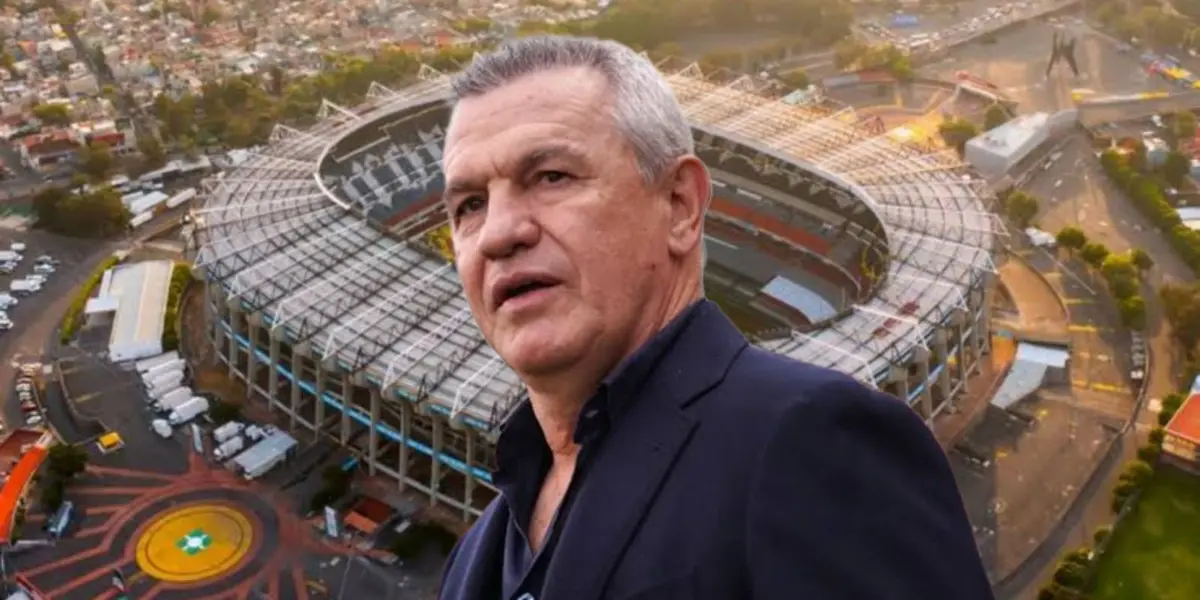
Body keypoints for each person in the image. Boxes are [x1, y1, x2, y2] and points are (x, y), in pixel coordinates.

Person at [437, 35, 993, 600]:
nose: (499, 233)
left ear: (680, 205)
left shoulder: (810, 441)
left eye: (551, 176)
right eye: (469, 206)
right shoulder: (474, 556)